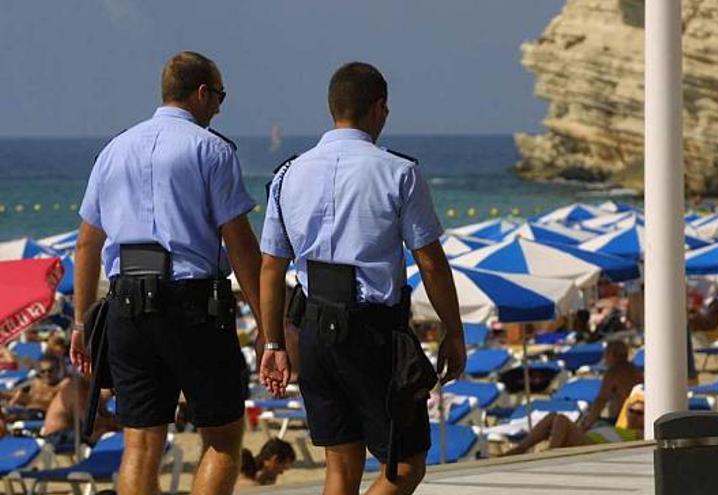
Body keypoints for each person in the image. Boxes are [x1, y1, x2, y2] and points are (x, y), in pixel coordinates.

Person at [259, 62, 467, 495]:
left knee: (341, 466)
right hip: (373, 333)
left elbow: (271, 267)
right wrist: (453, 331)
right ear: (379, 110)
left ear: (332, 108)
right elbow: (430, 261)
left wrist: (274, 342)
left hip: (313, 331)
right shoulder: (398, 172)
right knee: (405, 464)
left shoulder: (288, 174)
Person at [71, 51, 267, 495]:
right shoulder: (211, 149)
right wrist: (267, 324)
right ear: (201, 93)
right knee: (222, 437)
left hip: (124, 305)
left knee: (140, 443)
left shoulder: (113, 150)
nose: (219, 106)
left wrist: (81, 322)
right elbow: (240, 245)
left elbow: (87, 243)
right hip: (192, 304)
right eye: (219, 96)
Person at [504, 341, 642, 455]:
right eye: (633, 411)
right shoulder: (635, 371)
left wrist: (587, 422)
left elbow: (601, 400)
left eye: (605, 355)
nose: (604, 359)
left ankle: (549, 454)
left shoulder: (614, 372)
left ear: (611, 355)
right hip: (605, 429)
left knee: (560, 420)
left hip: (607, 429)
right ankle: (522, 449)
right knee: (554, 417)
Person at [41, 376, 117, 449]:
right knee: (98, 431)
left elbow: (103, 412)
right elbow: (90, 422)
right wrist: (112, 423)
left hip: (72, 431)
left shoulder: (89, 389)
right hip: (57, 436)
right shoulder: (76, 389)